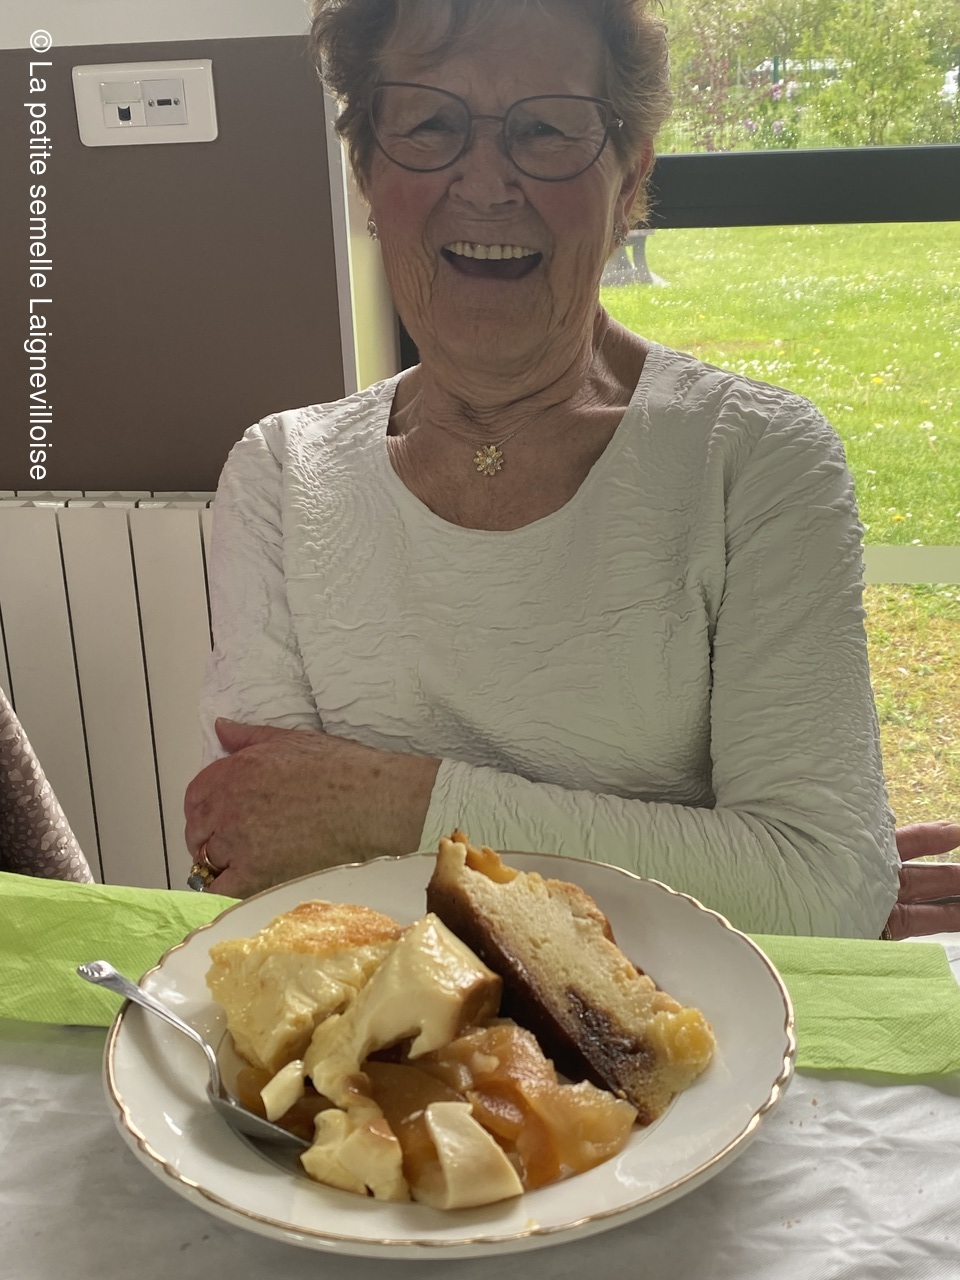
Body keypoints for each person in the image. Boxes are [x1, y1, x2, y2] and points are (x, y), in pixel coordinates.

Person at [184, 0, 960, 939]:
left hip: (680, 1028)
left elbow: (820, 889)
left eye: (546, 129)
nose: (486, 182)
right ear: (366, 172)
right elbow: (261, 855)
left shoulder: (754, 457)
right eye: (429, 125)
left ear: (630, 180)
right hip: (370, 1029)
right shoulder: (279, 475)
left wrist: (393, 810)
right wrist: (719, 869)